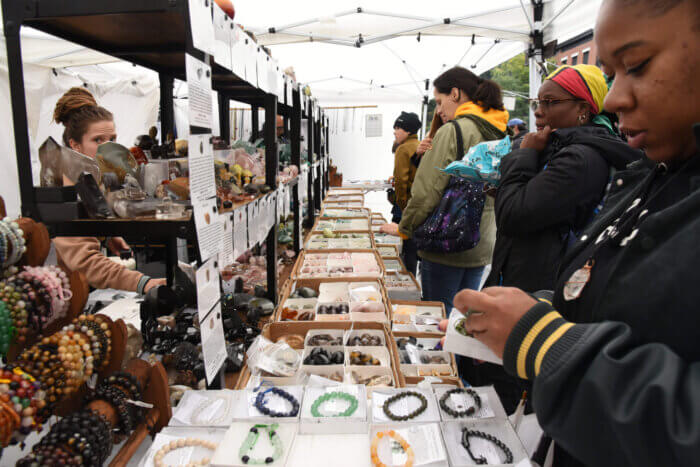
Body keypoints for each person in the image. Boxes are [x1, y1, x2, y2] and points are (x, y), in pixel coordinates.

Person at [447, 0, 700, 465]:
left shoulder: (582, 158)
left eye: (637, 66)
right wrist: (562, 307)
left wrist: (547, 341)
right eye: (611, 73)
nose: (616, 98)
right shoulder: (657, 175)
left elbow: (517, 212)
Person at [465, 64, 641, 412]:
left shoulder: (581, 158)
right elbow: (529, 205)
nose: (539, 111)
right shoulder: (562, 147)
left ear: (583, 109)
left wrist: (524, 156)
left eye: (550, 102)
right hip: (526, 274)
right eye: (536, 102)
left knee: (513, 397)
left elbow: (515, 215)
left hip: (540, 289)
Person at [381, 66, 509, 309]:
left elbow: (426, 192)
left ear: (455, 94)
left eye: (439, 102)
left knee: (437, 320)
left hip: (445, 242)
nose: (438, 111)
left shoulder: (453, 131)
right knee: (462, 318)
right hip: (480, 242)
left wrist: (405, 229)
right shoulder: (498, 130)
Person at [52, 87, 165, 294]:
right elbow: (84, 263)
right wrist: (143, 283)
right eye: (98, 140)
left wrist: (106, 235)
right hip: (56, 298)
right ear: (75, 145)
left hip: (76, 292)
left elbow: (89, 218)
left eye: (112, 139)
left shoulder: (86, 178)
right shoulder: (61, 190)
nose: (108, 148)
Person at [391, 111, 421, 275]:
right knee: (413, 250)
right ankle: (413, 279)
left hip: (408, 205)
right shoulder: (420, 145)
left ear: (408, 131)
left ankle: (407, 280)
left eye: (398, 128)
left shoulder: (403, 149)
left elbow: (401, 181)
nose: (395, 131)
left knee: (406, 249)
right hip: (419, 205)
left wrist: (402, 206)